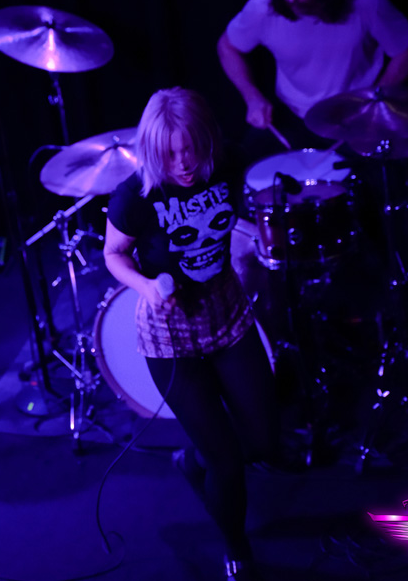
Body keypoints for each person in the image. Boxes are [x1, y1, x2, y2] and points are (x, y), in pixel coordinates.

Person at [104, 87, 278, 580]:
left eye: (191, 148)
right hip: (169, 337)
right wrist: (145, 285)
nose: (183, 163)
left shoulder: (228, 162)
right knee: (227, 462)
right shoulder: (135, 196)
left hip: (228, 314)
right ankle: (236, 545)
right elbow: (113, 255)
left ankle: (192, 460)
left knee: (264, 443)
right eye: (170, 153)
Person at [217, 0, 408, 162]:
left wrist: (375, 99)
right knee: (251, 159)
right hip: (292, 118)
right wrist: (252, 98)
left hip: (356, 119)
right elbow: (227, 46)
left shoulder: (366, 0)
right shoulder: (263, 7)